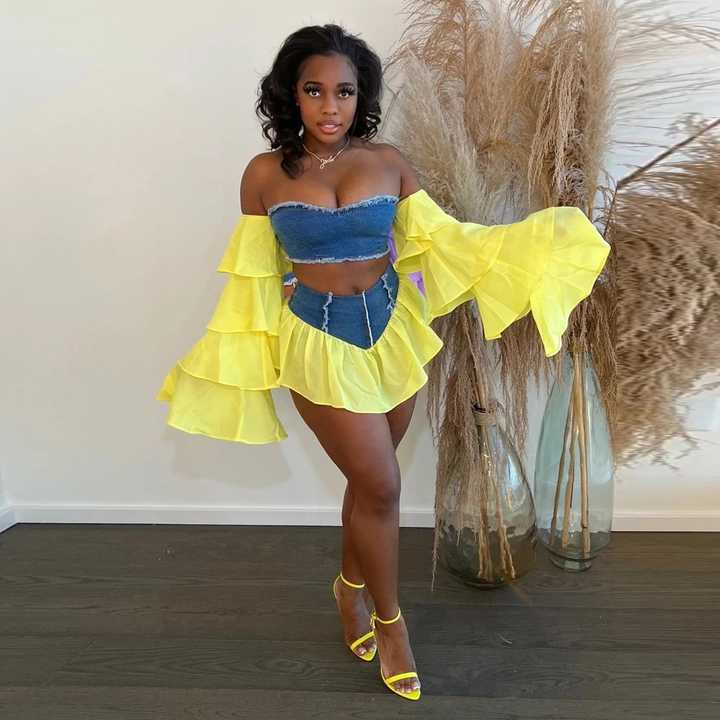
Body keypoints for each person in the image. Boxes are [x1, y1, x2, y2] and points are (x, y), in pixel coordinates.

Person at [156, 24, 611, 702]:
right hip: (319, 344)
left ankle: (349, 588)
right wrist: (262, 336)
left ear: (361, 96)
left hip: (393, 333)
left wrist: (533, 243)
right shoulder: (263, 175)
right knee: (383, 485)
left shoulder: (389, 163)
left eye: (344, 91)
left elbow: (442, 240)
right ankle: (391, 625)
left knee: (370, 487)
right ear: (291, 95)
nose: (329, 106)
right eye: (314, 90)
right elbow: (254, 274)